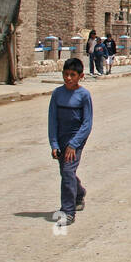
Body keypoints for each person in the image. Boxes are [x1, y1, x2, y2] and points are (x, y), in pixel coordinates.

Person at [48, 57, 93, 225]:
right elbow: (52, 120)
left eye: (72, 75)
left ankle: (68, 211)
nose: (68, 78)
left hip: (76, 138)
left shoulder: (84, 95)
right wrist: (54, 143)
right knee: (66, 173)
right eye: (66, 74)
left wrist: (74, 144)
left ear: (80, 76)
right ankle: (79, 193)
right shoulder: (57, 94)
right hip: (60, 139)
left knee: (67, 172)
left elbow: (87, 123)